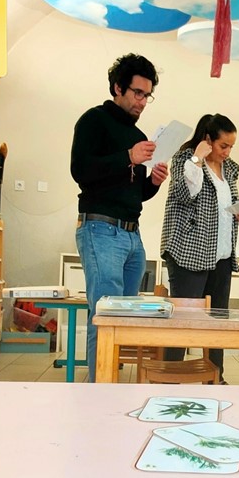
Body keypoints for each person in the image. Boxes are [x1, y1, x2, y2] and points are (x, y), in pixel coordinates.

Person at [70, 53, 168, 382]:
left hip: (131, 235)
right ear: (118, 88)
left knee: (123, 319)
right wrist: (127, 156)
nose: (142, 101)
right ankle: (98, 390)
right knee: (105, 316)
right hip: (101, 228)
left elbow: (135, 193)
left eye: (147, 95)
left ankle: (109, 385)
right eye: (138, 93)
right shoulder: (93, 120)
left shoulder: (137, 134)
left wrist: (153, 182)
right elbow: (80, 171)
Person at [159, 113, 239, 379]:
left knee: (218, 321)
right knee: (183, 320)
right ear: (208, 140)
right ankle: (171, 378)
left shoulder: (229, 169)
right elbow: (185, 194)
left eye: (231, 146)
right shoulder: (185, 159)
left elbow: (225, 205)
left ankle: (215, 377)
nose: (227, 152)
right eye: (223, 145)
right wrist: (197, 158)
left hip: (221, 255)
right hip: (189, 253)